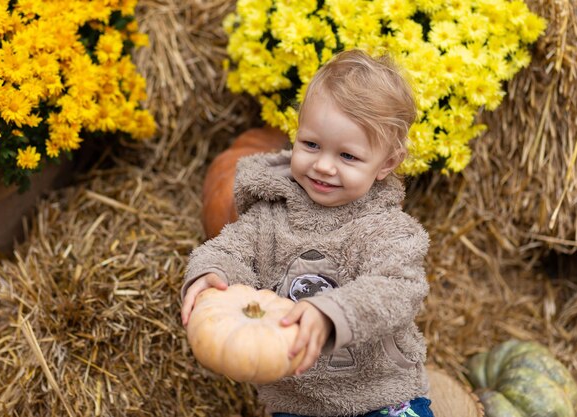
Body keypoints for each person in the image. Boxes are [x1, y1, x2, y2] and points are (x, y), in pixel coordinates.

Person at [181, 49, 434, 417]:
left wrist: (331, 313)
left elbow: (397, 289)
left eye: (348, 156)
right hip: (297, 400)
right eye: (311, 144)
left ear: (388, 163)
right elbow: (229, 250)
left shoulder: (387, 230)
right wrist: (210, 274)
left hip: (380, 395)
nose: (323, 166)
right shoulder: (270, 215)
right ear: (295, 134)